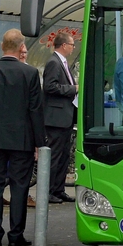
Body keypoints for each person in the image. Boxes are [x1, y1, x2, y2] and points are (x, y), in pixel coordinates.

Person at [0, 29, 45, 246]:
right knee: (19, 186)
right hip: (21, 140)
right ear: (22, 47)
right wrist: (39, 142)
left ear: (3, 46)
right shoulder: (30, 74)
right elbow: (35, 110)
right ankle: (16, 235)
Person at [43, 32, 78, 204]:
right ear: (64, 45)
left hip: (65, 116)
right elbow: (50, 87)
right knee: (55, 154)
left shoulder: (62, 63)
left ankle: (59, 189)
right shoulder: (53, 63)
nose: (73, 48)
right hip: (56, 117)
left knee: (64, 154)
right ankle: (48, 191)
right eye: (72, 44)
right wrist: (73, 89)